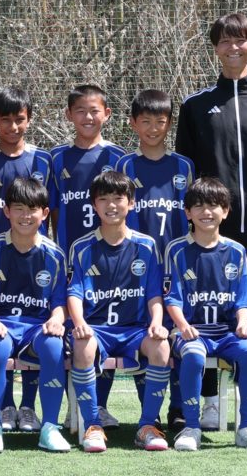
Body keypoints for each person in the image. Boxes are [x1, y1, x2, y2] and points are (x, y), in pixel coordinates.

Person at [175, 12, 247, 430]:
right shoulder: (196, 105)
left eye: (241, 40)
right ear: (215, 48)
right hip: (212, 230)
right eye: (225, 41)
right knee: (206, 315)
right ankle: (209, 403)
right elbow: (188, 168)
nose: (233, 48)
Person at [164, 177, 247, 451]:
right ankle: (191, 427)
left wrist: (243, 324)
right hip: (190, 331)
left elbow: (244, 297)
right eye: (199, 206)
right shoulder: (176, 250)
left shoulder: (236, 251)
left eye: (214, 205)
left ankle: (246, 427)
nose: (207, 212)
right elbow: (171, 297)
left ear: (225, 211)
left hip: (226, 333)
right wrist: (182, 324)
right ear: (187, 212)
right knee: (193, 355)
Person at [66, 171, 170, 452]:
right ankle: (93, 426)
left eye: (118, 198)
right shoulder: (81, 247)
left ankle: (147, 426)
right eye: (103, 199)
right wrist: (79, 322)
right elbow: (74, 292)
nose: (111, 205)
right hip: (97, 330)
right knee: (82, 343)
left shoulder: (147, 246)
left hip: (134, 330)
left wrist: (157, 322)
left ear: (131, 203)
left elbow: (154, 294)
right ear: (94, 205)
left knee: (161, 346)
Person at [0, 178, 69, 453]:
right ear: (6, 211)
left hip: (36, 327)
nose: (26, 216)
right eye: (18, 208)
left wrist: (56, 319)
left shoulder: (55, 255)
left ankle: (50, 428)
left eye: (32, 209)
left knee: (54, 345)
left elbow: (60, 301)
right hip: (0, 324)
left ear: (45, 213)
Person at [115, 89, 194, 430]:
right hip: (139, 268)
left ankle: (178, 407)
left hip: (176, 267)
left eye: (159, 122)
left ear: (169, 124)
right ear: (133, 124)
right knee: (146, 333)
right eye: (145, 121)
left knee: (177, 333)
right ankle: (151, 409)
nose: (152, 128)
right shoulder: (125, 165)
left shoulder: (183, 166)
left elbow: (192, 217)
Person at [49, 85, 127, 429]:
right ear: (69, 115)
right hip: (71, 258)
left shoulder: (119, 158)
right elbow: (52, 210)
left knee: (103, 325)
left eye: (94, 110)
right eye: (80, 110)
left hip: (109, 259)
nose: (87, 117)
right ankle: (75, 406)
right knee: (74, 331)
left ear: (106, 114)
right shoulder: (56, 158)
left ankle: (102, 405)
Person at [0, 88, 51, 431]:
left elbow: (52, 211)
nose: (13, 126)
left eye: (19, 119)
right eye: (5, 119)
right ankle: (5, 406)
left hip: (36, 259)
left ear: (29, 120)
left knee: (37, 323)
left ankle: (29, 407)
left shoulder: (44, 161)